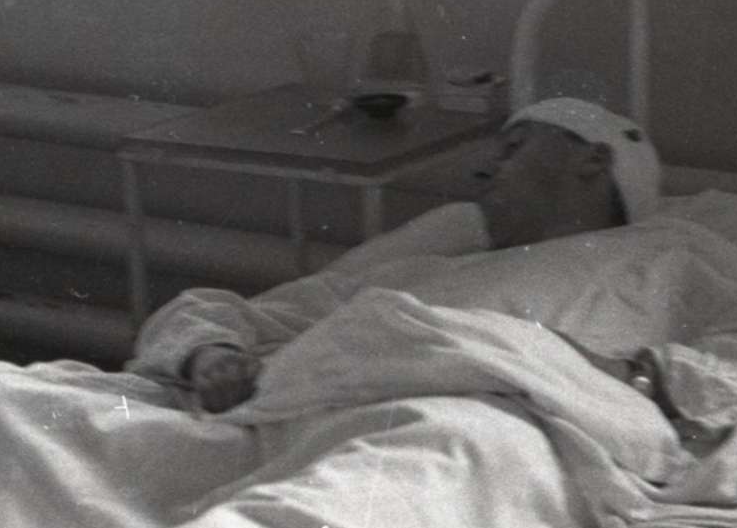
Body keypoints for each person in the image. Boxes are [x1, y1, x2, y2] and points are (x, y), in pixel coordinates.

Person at [129, 97, 663, 413]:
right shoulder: (426, 269)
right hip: (306, 406)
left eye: (513, 148)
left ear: (593, 161)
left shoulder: (666, 259)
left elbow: (710, 373)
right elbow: (221, 312)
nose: (483, 170)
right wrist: (210, 355)